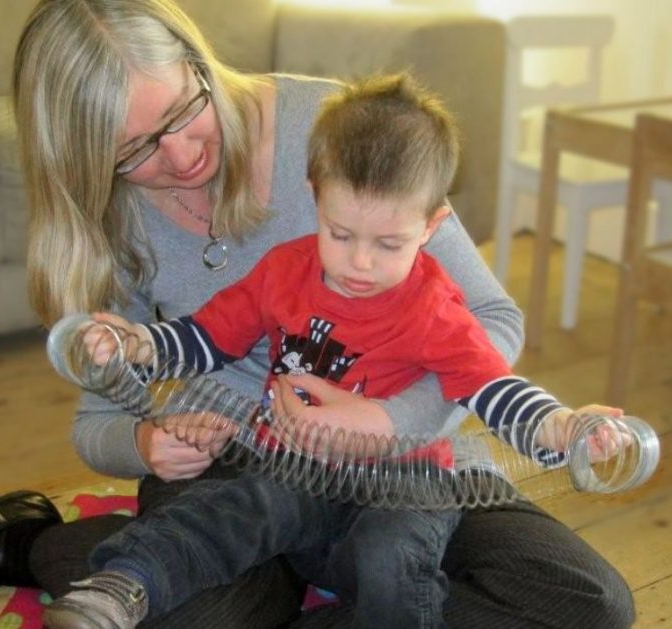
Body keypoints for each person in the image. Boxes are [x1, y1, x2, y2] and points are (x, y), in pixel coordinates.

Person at [0, 1, 635, 627]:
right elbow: (118, 404)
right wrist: (146, 439)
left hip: (404, 462)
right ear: (89, 160)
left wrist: (389, 419)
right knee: (206, 596)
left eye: (184, 110)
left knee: (581, 599)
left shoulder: (344, 141)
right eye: (136, 152)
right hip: (238, 461)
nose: (182, 155)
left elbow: (487, 325)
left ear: (197, 62)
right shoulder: (128, 223)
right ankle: (31, 542)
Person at [43, 73, 626, 629]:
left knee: (391, 561)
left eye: (389, 243)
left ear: (431, 226)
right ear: (314, 197)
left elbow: (493, 387)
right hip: (294, 469)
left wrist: (561, 426)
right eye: (340, 234)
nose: (360, 265)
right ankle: (121, 584)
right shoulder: (284, 270)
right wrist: (138, 343)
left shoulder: (434, 308)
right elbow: (206, 338)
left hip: (404, 487)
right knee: (229, 512)